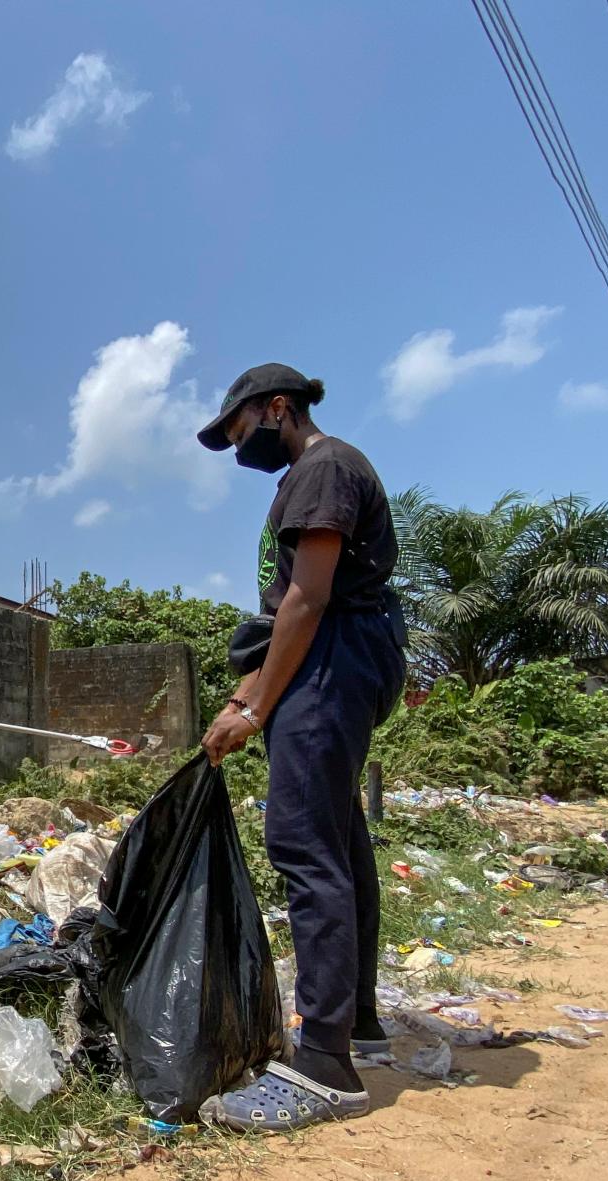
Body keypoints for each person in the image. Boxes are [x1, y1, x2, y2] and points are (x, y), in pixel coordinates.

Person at [195, 363, 406, 1132]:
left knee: (303, 842)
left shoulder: (323, 468)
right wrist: (242, 694)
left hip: (333, 658)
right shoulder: (312, 474)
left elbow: (309, 599)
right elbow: (284, 608)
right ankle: (359, 1024)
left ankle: (323, 1063)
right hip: (330, 656)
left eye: (240, 429)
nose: (237, 446)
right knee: (340, 842)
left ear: (277, 408)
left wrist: (253, 709)